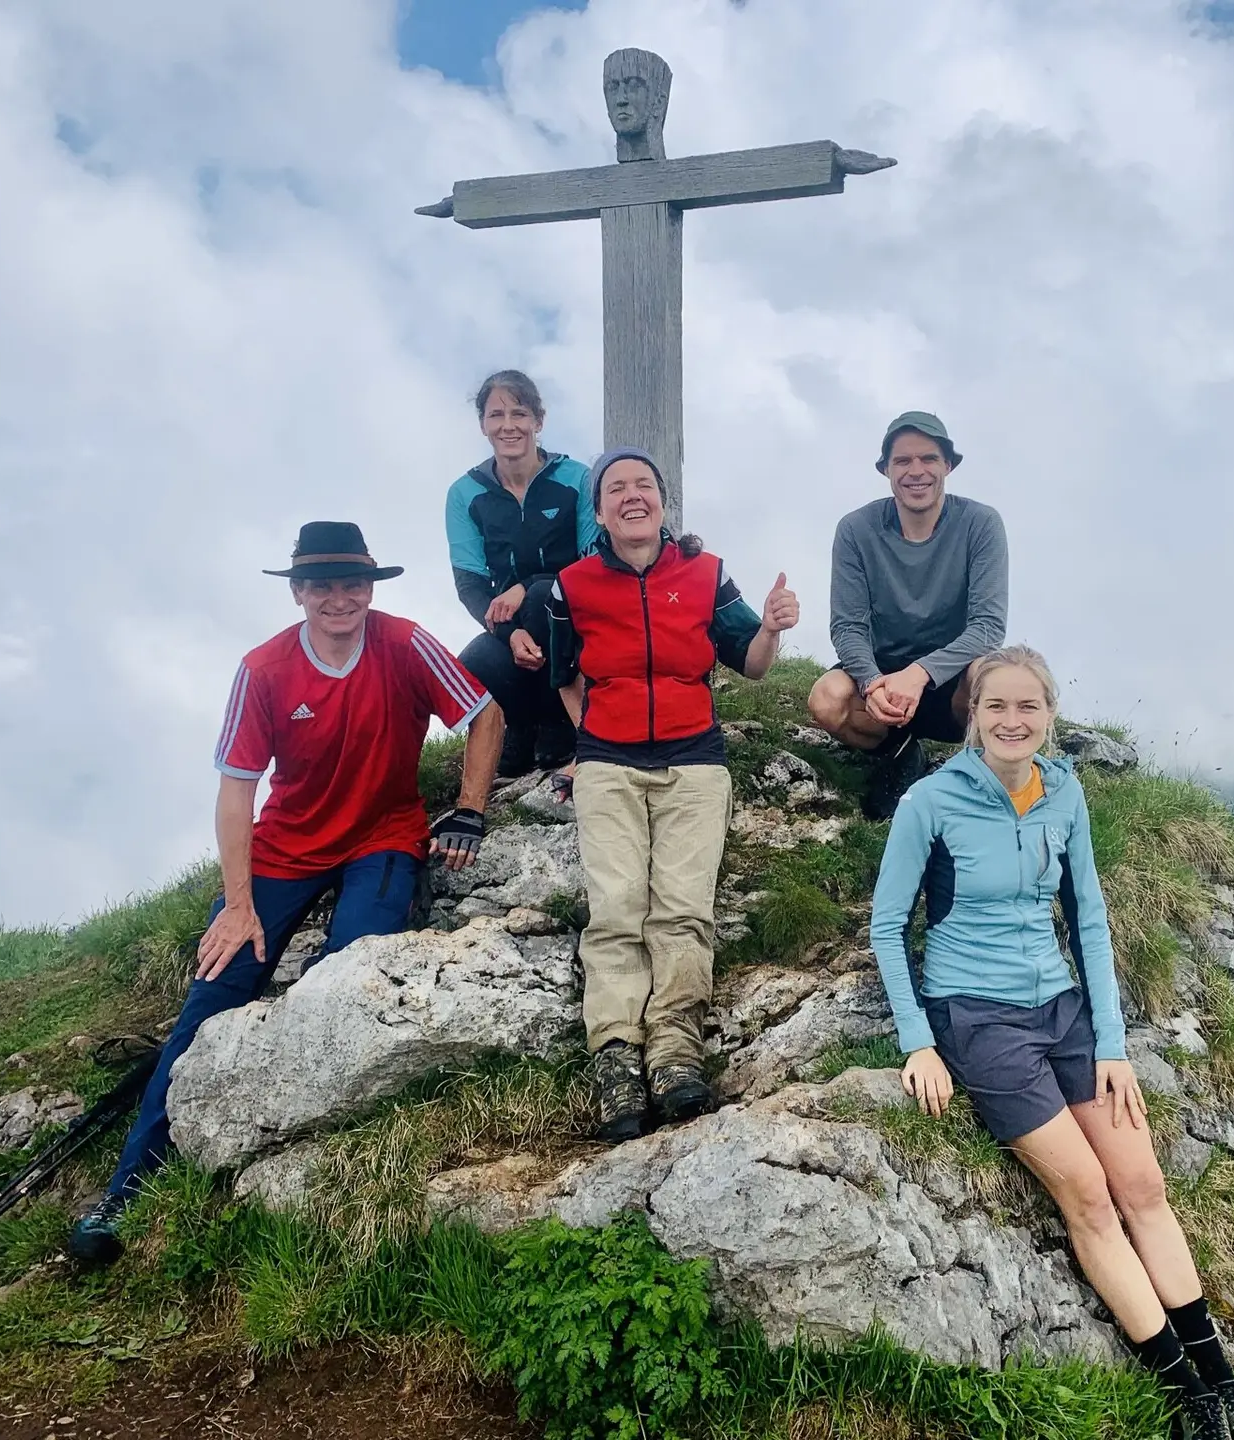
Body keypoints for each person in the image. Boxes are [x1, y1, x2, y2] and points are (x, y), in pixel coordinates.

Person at [68, 522, 505, 1266]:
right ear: (298, 592)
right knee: (212, 996)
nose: (340, 598)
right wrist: (237, 905)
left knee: (344, 980)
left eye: (354, 583)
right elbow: (235, 791)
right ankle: (127, 1192)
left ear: (372, 587)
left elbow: (483, 712)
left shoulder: (405, 643)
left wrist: (469, 808)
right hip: (283, 849)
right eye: (323, 585)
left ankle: (306, 1167)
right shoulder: (263, 668)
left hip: (383, 839)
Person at [869, 647, 1234, 1440]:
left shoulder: (1064, 791)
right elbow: (888, 928)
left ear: (1050, 715)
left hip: (1063, 1011)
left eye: (1029, 708)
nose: (1013, 722)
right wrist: (919, 1043)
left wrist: (1113, 1044)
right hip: (978, 1019)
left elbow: (1088, 916)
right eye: (997, 708)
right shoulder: (931, 801)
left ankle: (1226, 1384)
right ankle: (1185, 1395)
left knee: (1144, 1187)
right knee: (1088, 1195)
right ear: (973, 715)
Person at [534, 448, 798, 1141]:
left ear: (662, 501)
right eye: (615, 489)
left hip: (695, 764)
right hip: (609, 766)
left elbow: (754, 665)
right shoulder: (571, 586)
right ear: (598, 512)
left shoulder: (706, 575)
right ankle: (617, 1056)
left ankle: (676, 1049)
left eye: (642, 485)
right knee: (617, 909)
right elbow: (566, 678)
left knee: (682, 910)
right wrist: (590, 743)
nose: (631, 496)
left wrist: (770, 627)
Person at [808, 411, 1008, 821]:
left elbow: (988, 626)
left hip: (951, 680)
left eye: (929, 459)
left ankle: (973, 775)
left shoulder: (981, 524)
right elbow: (847, 625)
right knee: (826, 699)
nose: (916, 471)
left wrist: (919, 674)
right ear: (885, 469)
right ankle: (898, 753)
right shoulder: (856, 529)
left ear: (948, 465)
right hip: (881, 680)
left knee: (993, 675)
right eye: (902, 461)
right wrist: (870, 679)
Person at [445, 369, 597, 777]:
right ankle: (521, 727)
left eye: (520, 413)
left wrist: (525, 586)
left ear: (538, 421)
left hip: (574, 618)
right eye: (496, 415)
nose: (508, 425)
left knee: (543, 594)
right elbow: (471, 585)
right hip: (509, 624)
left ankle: (560, 724)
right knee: (473, 661)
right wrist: (509, 633)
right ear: (483, 425)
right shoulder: (465, 493)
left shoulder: (576, 478)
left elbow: (589, 563)